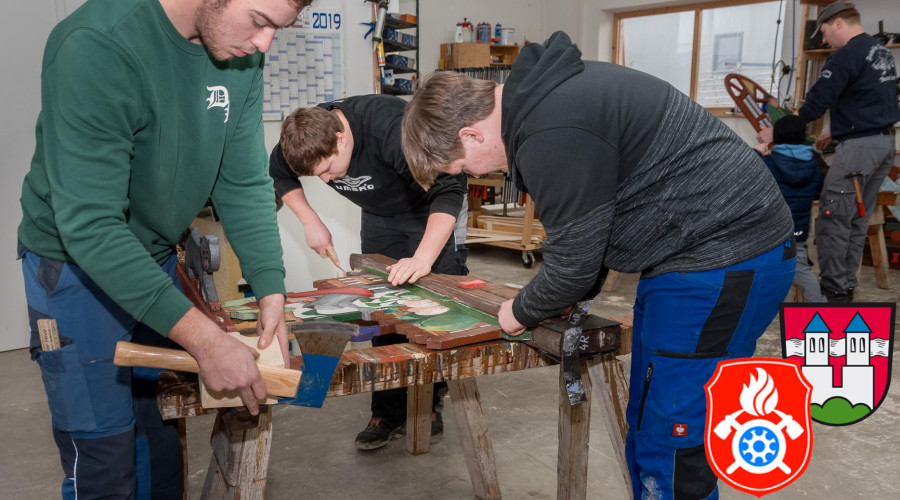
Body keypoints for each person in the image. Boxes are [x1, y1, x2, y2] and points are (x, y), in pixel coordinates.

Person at [402, 31, 795, 499]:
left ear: (471, 132)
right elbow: (593, 233)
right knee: (650, 414)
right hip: (688, 257)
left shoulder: (551, 130)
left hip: (725, 259)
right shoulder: (547, 100)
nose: (477, 174)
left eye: (463, 166)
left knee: (674, 435)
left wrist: (519, 311)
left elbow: (574, 264)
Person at [18, 0, 310, 498]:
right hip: (74, 269)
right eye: (260, 21)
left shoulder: (241, 55)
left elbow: (240, 181)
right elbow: (90, 225)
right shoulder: (96, 45)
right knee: (105, 462)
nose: (264, 45)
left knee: (160, 441)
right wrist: (205, 339)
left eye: (277, 29)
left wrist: (270, 288)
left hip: (153, 257)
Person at [269, 94, 468, 450]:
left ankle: (429, 404)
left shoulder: (391, 129)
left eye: (328, 168)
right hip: (379, 215)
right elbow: (279, 175)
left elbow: (450, 187)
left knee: (436, 309)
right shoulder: (302, 140)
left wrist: (422, 259)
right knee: (383, 307)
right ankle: (388, 412)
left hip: (429, 209)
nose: (327, 179)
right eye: (318, 177)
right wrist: (310, 221)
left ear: (342, 138)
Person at [797, 0, 900, 302]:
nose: (825, 40)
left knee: (832, 219)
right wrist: (837, 129)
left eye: (825, 32)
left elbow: (819, 100)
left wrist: (777, 132)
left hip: (860, 150)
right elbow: (872, 98)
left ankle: (833, 292)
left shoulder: (845, 55)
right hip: (883, 143)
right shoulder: (880, 51)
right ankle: (845, 287)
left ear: (839, 23)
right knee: (856, 219)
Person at [755, 115, 827, 302]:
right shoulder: (814, 163)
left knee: (761, 266)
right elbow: (820, 186)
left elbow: (746, 177)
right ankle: (817, 304)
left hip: (771, 229)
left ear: (776, 136)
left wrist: (755, 153)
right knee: (801, 269)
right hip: (798, 228)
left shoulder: (769, 162)